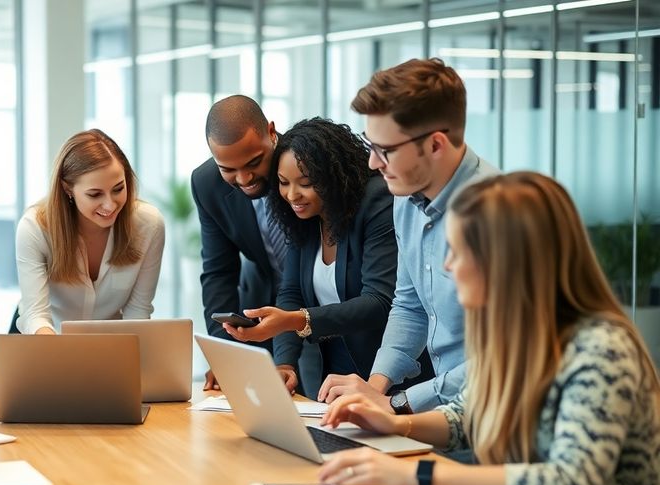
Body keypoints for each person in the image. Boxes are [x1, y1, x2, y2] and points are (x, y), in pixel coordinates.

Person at [316, 172, 660, 485]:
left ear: (503, 265)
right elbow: (467, 416)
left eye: (459, 252)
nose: (448, 265)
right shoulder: (522, 336)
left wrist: (415, 475)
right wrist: (395, 422)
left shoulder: (600, 350)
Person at [317, 58, 497, 414]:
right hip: (449, 416)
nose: (372, 163)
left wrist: (398, 404)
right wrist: (373, 389)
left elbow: (503, 359)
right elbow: (410, 305)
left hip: (497, 419)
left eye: (385, 150)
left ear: (435, 145)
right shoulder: (405, 200)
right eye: (371, 145)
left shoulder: (498, 215)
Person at [222, 117, 397, 399]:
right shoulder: (304, 218)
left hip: (388, 377)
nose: (292, 195)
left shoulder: (375, 202)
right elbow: (291, 293)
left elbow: (378, 302)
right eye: (282, 182)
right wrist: (285, 363)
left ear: (334, 176)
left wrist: (295, 320)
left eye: (306, 183)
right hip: (336, 376)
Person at [14, 129, 165, 334]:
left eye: (118, 189)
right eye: (95, 194)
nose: (110, 205)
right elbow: (35, 314)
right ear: (68, 189)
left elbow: (138, 310)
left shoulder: (149, 225)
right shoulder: (35, 228)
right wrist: (55, 354)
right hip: (46, 338)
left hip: (112, 347)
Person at [192, 95, 287, 390]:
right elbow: (219, 272)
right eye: (228, 169)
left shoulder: (301, 163)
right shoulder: (206, 182)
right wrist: (224, 355)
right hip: (260, 305)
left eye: (254, 162)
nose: (244, 178)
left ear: (271, 133)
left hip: (323, 306)